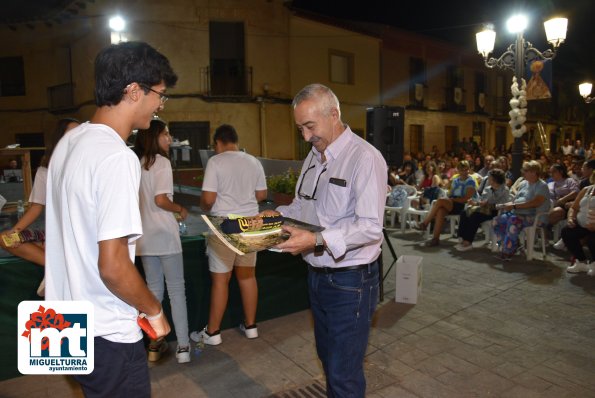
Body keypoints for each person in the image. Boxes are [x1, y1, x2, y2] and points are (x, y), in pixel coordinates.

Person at [45, 41, 177, 397]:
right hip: (108, 332)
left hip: (64, 323)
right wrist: (154, 311)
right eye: (159, 95)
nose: (159, 105)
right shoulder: (117, 158)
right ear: (135, 91)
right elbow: (114, 266)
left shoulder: (69, 144)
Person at [262, 83, 386, 397]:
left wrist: (317, 241)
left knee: (344, 372)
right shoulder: (315, 156)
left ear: (333, 115)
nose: (305, 136)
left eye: (309, 127)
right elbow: (304, 206)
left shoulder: (365, 158)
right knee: (328, 360)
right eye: (300, 129)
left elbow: (371, 227)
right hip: (317, 277)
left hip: (351, 281)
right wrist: (276, 215)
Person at [190, 124, 267, 346]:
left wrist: (205, 206)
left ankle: (213, 332)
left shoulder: (216, 161)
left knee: (221, 280)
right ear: (236, 140)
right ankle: (251, 326)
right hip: (250, 225)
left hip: (225, 225)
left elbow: (208, 198)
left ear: (218, 143)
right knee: (248, 276)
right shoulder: (253, 161)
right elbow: (261, 194)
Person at [0, 118, 80, 294]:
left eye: (80, 132)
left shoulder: (86, 166)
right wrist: (15, 232)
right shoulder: (46, 171)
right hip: (54, 234)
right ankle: (57, 268)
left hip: (80, 235)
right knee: (5, 238)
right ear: (60, 139)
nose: (77, 137)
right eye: (71, 133)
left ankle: (56, 269)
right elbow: (36, 207)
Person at [136, 118, 191, 364]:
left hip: (144, 239)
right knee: (177, 291)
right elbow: (161, 200)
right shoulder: (163, 163)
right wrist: (180, 207)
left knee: (153, 293)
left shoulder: (137, 164)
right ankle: (183, 347)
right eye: (165, 134)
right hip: (165, 236)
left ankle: (154, 345)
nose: (169, 139)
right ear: (153, 137)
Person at [492, 160, 550, 260]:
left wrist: (514, 206)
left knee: (513, 221)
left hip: (535, 216)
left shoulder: (542, 186)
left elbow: (535, 203)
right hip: (518, 213)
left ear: (533, 172)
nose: (523, 172)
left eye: (525, 171)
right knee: (497, 221)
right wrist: (507, 205)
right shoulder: (524, 183)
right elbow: (516, 199)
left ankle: (508, 251)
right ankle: (514, 244)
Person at [416, 160, 477, 247]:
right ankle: (435, 239)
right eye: (462, 170)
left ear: (469, 170)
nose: (464, 172)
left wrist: (452, 199)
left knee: (440, 201)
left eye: (466, 169)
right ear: (458, 170)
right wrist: (449, 193)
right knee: (440, 210)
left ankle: (425, 223)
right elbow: (449, 192)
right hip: (452, 202)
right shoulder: (456, 180)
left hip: (463, 205)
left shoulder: (471, 181)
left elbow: (467, 198)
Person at [455, 169, 510, 251]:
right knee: (464, 212)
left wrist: (488, 204)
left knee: (475, 216)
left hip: (496, 211)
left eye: (490, 178)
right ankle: (462, 238)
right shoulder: (488, 189)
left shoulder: (504, 190)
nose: (488, 179)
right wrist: (474, 203)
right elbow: (481, 201)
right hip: (484, 209)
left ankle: (468, 242)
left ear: (495, 179)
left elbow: (503, 205)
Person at [561, 171, 595, 276]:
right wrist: (571, 218)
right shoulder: (586, 190)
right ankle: (581, 262)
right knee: (567, 232)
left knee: (592, 239)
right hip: (582, 224)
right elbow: (574, 208)